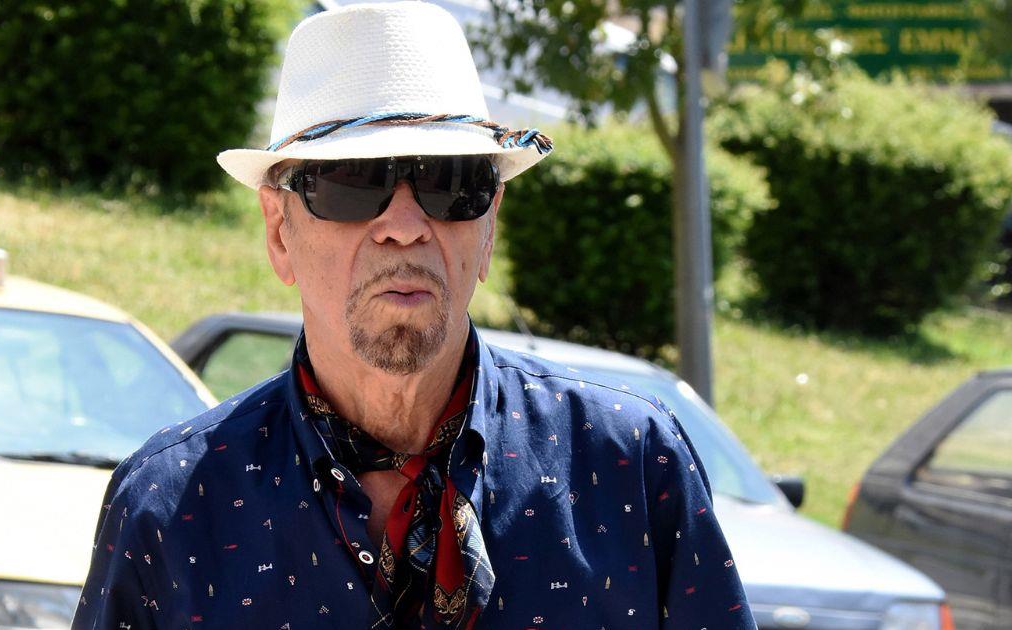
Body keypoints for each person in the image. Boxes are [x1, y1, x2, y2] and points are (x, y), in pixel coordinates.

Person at [72, 2, 755, 628]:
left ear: (489, 226)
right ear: (280, 232)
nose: (404, 226)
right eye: (351, 183)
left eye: (450, 182)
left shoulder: (630, 465)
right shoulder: (171, 506)